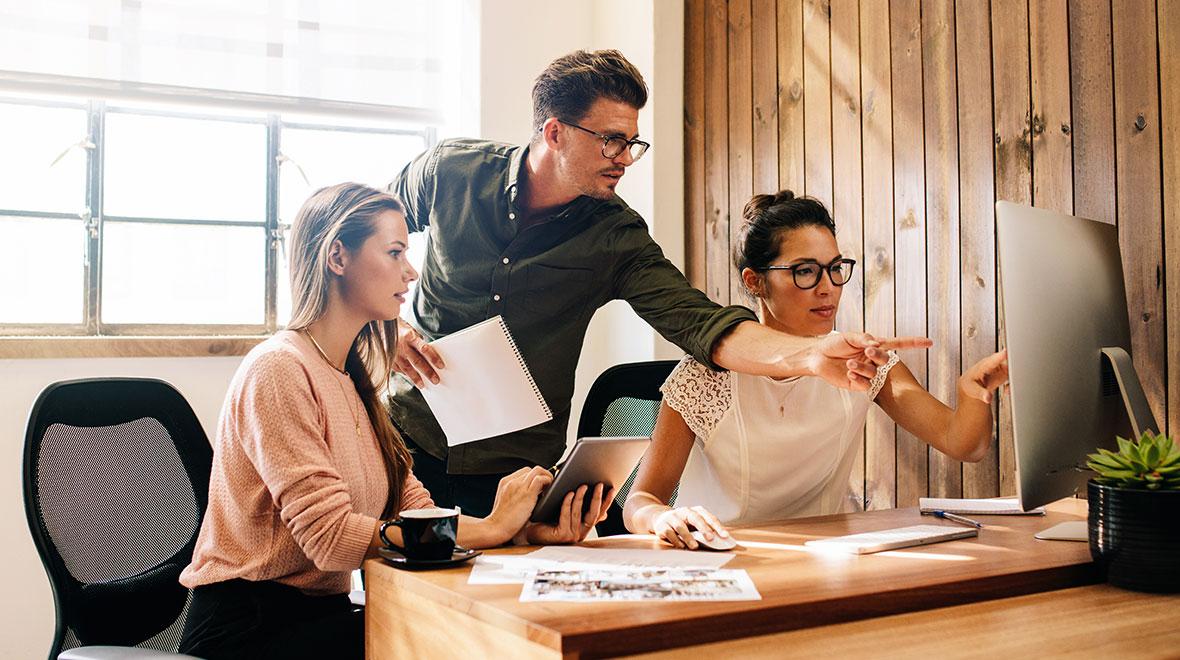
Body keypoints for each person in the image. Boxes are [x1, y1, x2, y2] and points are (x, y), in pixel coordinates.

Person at [386, 49, 929, 518]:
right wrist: (388, 326)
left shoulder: (614, 236)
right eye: (611, 141)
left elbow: (703, 323)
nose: (625, 158)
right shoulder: (450, 172)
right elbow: (360, 233)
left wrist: (808, 357)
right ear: (554, 132)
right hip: (407, 446)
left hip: (513, 477)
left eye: (632, 143)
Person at [178, 183, 611, 660]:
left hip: (320, 618)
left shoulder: (353, 379)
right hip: (248, 629)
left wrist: (520, 532)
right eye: (394, 252)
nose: (410, 271)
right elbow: (330, 540)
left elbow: (417, 513)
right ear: (337, 257)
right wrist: (489, 528)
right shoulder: (278, 369)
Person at [621, 191, 1010, 549]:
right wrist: (661, 517)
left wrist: (974, 387)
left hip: (824, 561)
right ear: (755, 282)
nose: (828, 288)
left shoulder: (862, 361)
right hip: (718, 560)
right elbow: (640, 500)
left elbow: (963, 443)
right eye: (805, 271)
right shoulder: (706, 375)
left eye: (835, 268)